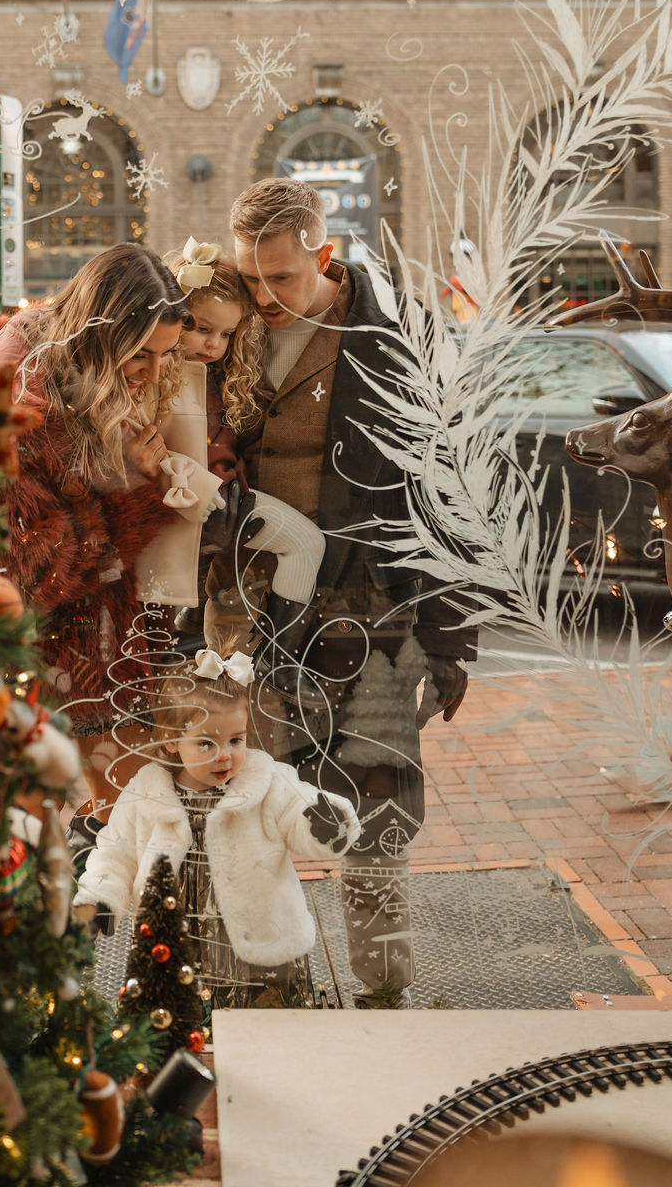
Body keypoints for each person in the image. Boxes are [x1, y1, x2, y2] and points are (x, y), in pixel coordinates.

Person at [226, 176, 474, 1009]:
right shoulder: (226, 328)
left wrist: (450, 642)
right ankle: (273, 985)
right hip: (256, 620)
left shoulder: (398, 339)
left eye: (281, 279)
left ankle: (384, 990)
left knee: (375, 820)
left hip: (372, 622)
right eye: (249, 278)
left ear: (324, 257)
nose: (262, 297)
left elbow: (449, 494)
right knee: (253, 807)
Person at [0, 243, 223, 821]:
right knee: (54, 856)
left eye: (166, 355)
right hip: (40, 678)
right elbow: (33, 571)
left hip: (96, 665)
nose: (153, 373)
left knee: (114, 852)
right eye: (142, 356)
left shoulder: (81, 376)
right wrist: (135, 492)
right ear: (101, 335)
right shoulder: (21, 402)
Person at [73, 645, 361, 1008]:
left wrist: (325, 823)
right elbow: (115, 852)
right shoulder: (148, 791)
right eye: (206, 743)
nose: (225, 754)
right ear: (173, 741)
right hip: (173, 954)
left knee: (267, 1042)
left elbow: (297, 810)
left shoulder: (264, 782)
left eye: (235, 740)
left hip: (260, 960)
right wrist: (98, 900)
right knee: (179, 1041)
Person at [160, 238, 265, 647]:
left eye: (225, 334)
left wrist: (231, 480)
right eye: (203, 329)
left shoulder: (227, 381)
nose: (213, 344)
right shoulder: (153, 375)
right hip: (172, 508)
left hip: (219, 512)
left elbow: (229, 443)